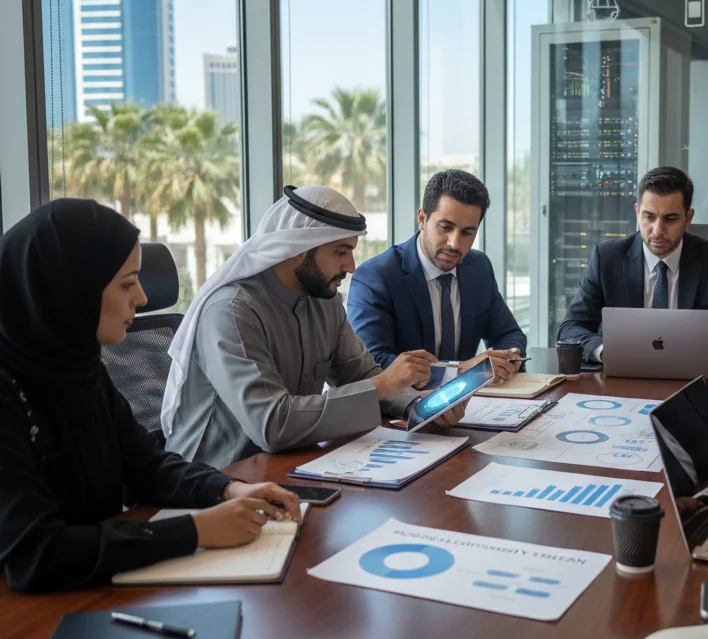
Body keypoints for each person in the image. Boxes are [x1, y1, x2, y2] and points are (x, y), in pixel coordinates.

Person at [0, 199, 301, 593]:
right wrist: (195, 531)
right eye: (127, 284)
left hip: (92, 592)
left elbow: (145, 466)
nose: (141, 298)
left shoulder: (80, 367)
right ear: (69, 290)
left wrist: (228, 489)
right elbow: (34, 552)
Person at [163, 186, 459, 469]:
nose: (351, 266)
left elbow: (358, 373)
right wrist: (381, 386)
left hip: (291, 462)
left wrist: (419, 407)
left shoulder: (323, 299)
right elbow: (272, 424)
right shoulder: (231, 312)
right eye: (340, 252)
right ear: (297, 250)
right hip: (218, 477)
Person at [557, 166, 708, 363]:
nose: (657, 230)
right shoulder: (607, 258)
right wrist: (605, 352)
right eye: (649, 217)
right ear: (637, 212)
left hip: (696, 379)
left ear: (688, 217)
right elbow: (571, 328)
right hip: (622, 378)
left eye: (670, 219)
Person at [347, 170, 526, 381]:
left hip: (471, 404)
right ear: (422, 219)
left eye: (467, 233)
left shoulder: (479, 267)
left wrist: (507, 358)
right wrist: (463, 371)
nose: (455, 243)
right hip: (400, 407)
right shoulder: (376, 277)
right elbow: (374, 364)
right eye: (445, 227)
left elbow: (508, 333)